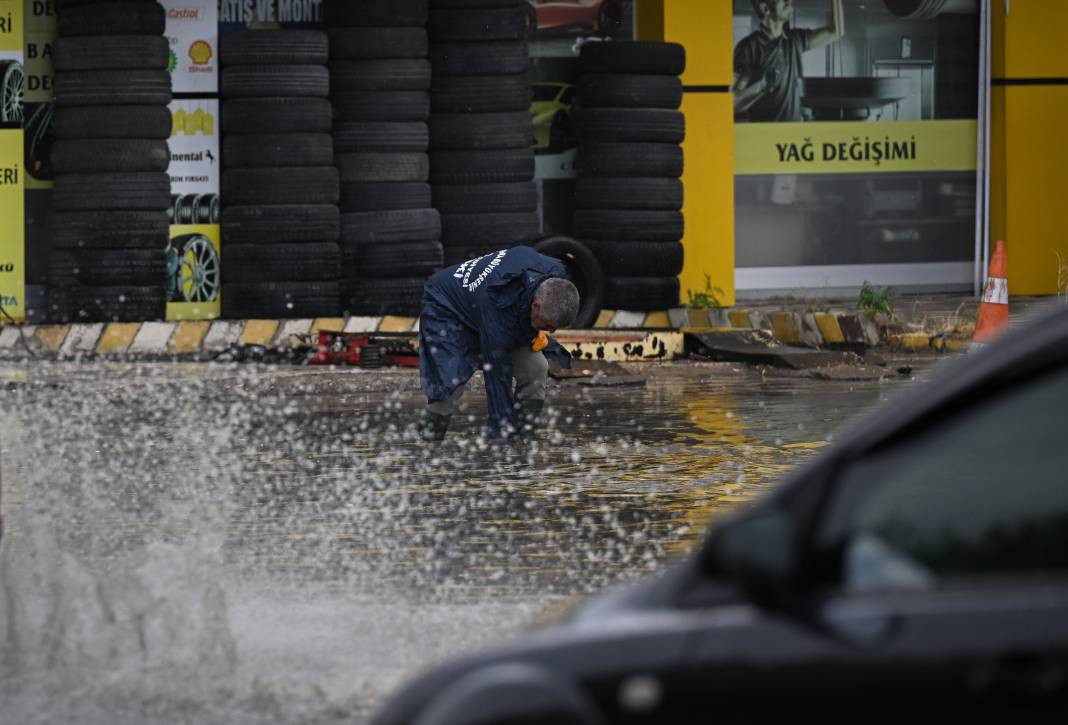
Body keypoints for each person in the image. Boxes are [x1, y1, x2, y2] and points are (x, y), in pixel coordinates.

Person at [417, 246, 579, 441]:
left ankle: (524, 437)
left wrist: (533, 329)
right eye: (548, 326)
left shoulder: (555, 273)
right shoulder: (497, 308)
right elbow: (497, 378)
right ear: (535, 305)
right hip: (447, 308)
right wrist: (501, 438)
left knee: (536, 368)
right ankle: (427, 445)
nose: (550, 332)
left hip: (493, 309)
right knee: (448, 386)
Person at [733, 0, 845, 122]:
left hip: (793, 136)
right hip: (765, 136)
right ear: (765, 8)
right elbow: (735, 103)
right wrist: (762, 85)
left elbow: (837, 31)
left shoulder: (795, 39)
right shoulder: (748, 48)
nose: (790, 2)